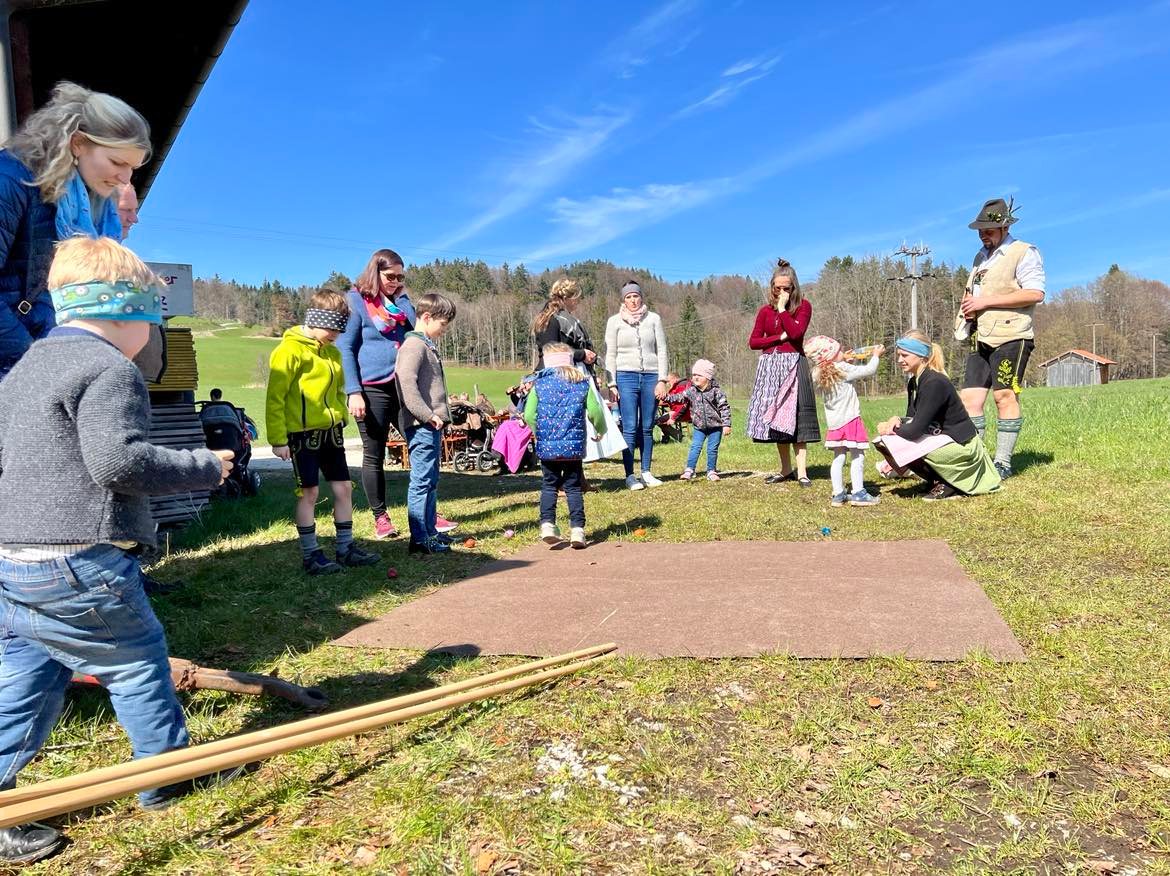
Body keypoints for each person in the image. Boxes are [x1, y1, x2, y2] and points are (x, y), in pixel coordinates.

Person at [0, 236, 233, 864]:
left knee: (28, 673)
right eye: (153, 322)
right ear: (126, 314)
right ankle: (165, 775)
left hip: (14, 558)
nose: (152, 337)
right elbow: (118, 462)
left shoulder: (24, 369)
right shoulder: (109, 369)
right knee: (136, 661)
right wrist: (203, 465)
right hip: (83, 558)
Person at [0, 82, 151, 381]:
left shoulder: (89, 204)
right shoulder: (11, 180)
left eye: (132, 168)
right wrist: (37, 360)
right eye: (117, 162)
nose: (124, 178)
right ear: (78, 143)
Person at [266, 289, 380, 575]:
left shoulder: (332, 353)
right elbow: (275, 398)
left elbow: (338, 391)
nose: (336, 335)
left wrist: (340, 415)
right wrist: (278, 439)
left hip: (331, 434)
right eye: (332, 328)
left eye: (340, 329)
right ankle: (311, 555)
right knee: (310, 493)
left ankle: (345, 548)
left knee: (343, 489)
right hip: (302, 436)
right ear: (316, 319)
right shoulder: (288, 351)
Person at [955, 197, 1045, 480]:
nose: (983, 235)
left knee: (1004, 396)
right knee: (969, 398)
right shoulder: (980, 258)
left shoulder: (1023, 252)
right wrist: (969, 310)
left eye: (989, 230)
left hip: (1012, 336)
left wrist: (985, 302)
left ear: (1005, 227)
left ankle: (1003, 462)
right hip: (979, 336)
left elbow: (1035, 293)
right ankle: (977, 460)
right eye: (980, 231)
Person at [337, 249, 415, 539]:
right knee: (374, 453)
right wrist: (353, 391)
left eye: (400, 278)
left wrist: (402, 298)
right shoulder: (355, 301)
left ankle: (425, 509)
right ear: (375, 272)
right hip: (371, 388)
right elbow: (345, 348)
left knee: (419, 445)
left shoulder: (397, 303)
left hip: (402, 385)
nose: (395, 282)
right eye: (390, 276)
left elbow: (414, 327)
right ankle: (381, 517)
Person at [876, 330, 1002, 501]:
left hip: (962, 447)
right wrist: (897, 420)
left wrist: (890, 429)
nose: (899, 360)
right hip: (941, 439)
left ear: (921, 355)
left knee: (890, 440)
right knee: (884, 442)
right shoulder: (914, 382)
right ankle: (936, 480)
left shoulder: (934, 382)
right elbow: (913, 418)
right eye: (899, 355)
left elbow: (913, 431)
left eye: (904, 355)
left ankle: (950, 484)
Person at [524, 343, 607, 549]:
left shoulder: (539, 384)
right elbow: (595, 411)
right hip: (573, 448)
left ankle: (547, 525)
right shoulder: (581, 383)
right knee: (573, 487)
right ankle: (577, 530)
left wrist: (538, 433)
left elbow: (529, 414)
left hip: (548, 447)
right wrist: (601, 429)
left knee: (549, 485)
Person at [746, 259, 820, 485]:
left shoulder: (803, 307)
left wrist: (782, 310)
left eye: (785, 288)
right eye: (776, 288)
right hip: (770, 368)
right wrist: (778, 338)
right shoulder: (764, 311)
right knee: (777, 418)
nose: (780, 292)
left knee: (797, 419)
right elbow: (754, 342)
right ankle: (786, 469)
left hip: (794, 365)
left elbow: (796, 334)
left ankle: (802, 472)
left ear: (793, 287)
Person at [395, 292, 457, 555]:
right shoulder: (413, 346)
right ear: (427, 317)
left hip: (431, 425)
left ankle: (430, 532)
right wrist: (426, 414)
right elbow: (405, 382)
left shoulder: (425, 345)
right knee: (422, 481)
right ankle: (420, 538)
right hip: (422, 424)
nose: (444, 330)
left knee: (431, 480)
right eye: (443, 324)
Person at [604, 280, 669, 490]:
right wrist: (611, 383)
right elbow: (610, 354)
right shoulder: (614, 321)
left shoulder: (654, 319)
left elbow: (662, 350)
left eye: (636, 296)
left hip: (651, 376)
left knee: (647, 426)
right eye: (628, 297)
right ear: (623, 300)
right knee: (630, 427)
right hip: (625, 377)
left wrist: (662, 380)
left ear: (641, 297)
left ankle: (647, 472)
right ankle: (630, 475)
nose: (633, 300)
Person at [805, 336, 883, 507]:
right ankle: (859, 493)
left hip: (834, 424)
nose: (842, 351)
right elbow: (869, 370)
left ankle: (838, 494)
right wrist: (876, 355)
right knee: (858, 455)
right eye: (839, 350)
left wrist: (843, 359)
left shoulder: (818, 373)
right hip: (850, 419)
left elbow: (834, 369)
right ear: (832, 355)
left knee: (838, 457)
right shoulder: (843, 369)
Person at [667, 359, 731, 481]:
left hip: (715, 427)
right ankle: (689, 470)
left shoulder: (716, 391)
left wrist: (726, 424)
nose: (695, 377)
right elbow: (679, 397)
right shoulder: (692, 391)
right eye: (694, 374)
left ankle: (711, 471)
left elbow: (724, 408)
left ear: (708, 377)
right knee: (695, 447)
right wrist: (666, 397)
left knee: (712, 449)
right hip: (699, 427)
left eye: (699, 375)